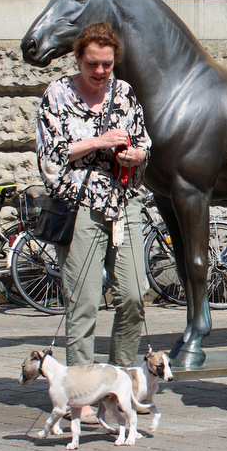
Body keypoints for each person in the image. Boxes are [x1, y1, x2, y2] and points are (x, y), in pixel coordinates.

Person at [36, 22, 151, 422]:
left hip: (124, 203)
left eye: (107, 64)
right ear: (77, 59)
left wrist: (136, 155)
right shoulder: (57, 95)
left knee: (135, 294)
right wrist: (98, 143)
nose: (101, 72)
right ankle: (82, 395)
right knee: (83, 304)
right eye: (92, 64)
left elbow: (143, 141)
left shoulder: (124, 93)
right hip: (81, 206)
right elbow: (49, 156)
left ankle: (117, 384)